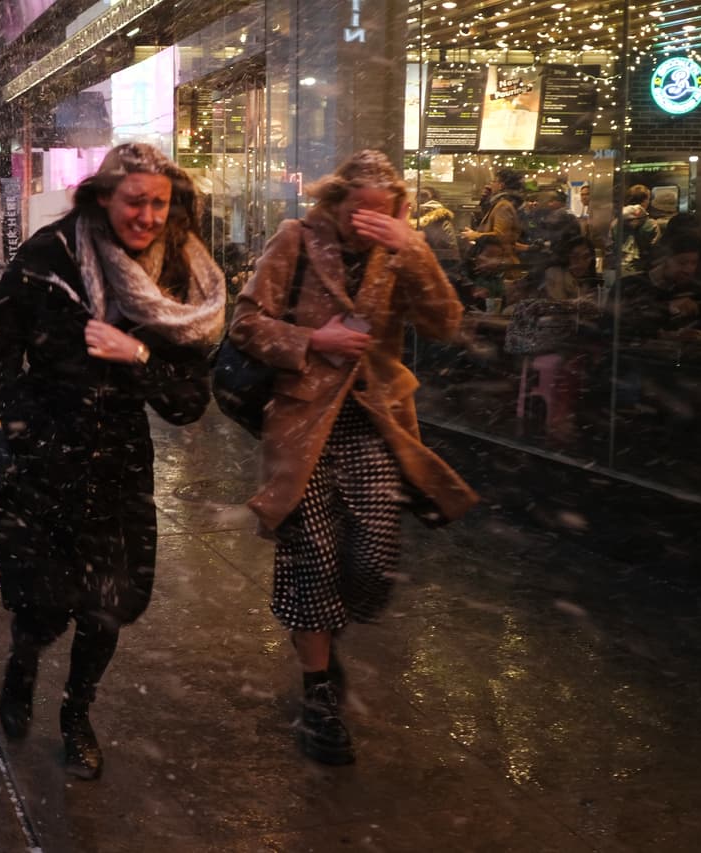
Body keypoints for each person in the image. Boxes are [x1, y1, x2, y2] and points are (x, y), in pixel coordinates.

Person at [0, 142, 225, 780]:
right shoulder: (48, 256)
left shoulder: (176, 278)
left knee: (107, 608)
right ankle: (22, 669)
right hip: (44, 461)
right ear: (103, 196)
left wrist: (135, 357)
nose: (146, 215)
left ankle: (76, 715)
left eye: (159, 203)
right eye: (134, 200)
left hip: (118, 465)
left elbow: (190, 399)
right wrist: (22, 420)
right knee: (41, 605)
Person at [227, 150, 479, 766]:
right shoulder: (296, 238)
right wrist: (314, 339)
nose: (369, 223)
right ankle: (320, 696)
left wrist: (413, 249)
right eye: (359, 211)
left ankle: (324, 629)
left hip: (375, 422)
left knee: (374, 556)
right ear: (335, 203)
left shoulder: (402, 248)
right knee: (310, 555)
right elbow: (245, 324)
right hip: (301, 423)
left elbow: (446, 323)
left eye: (383, 214)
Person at [461, 168, 524, 266]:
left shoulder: (503, 205)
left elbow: (501, 236)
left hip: (496, 263)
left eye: (494, 181)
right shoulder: (501, 203)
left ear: (501, 185)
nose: (490, 185)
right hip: (494, 261)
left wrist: (475, 235)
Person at [413, 186, 465, 289]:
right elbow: (451, 251)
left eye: (423, 196)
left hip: (424, 269)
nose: (420, 199)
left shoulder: (415, 217)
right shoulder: (442, 218)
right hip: (441, 271)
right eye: (419, 196)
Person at [612, 184, 660, 277]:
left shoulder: (615, 223)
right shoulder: (651, 224)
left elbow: (610, 248)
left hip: (619, 271)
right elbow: (655, 251)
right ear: (645, 201)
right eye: (648, 199)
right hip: (642, 271)